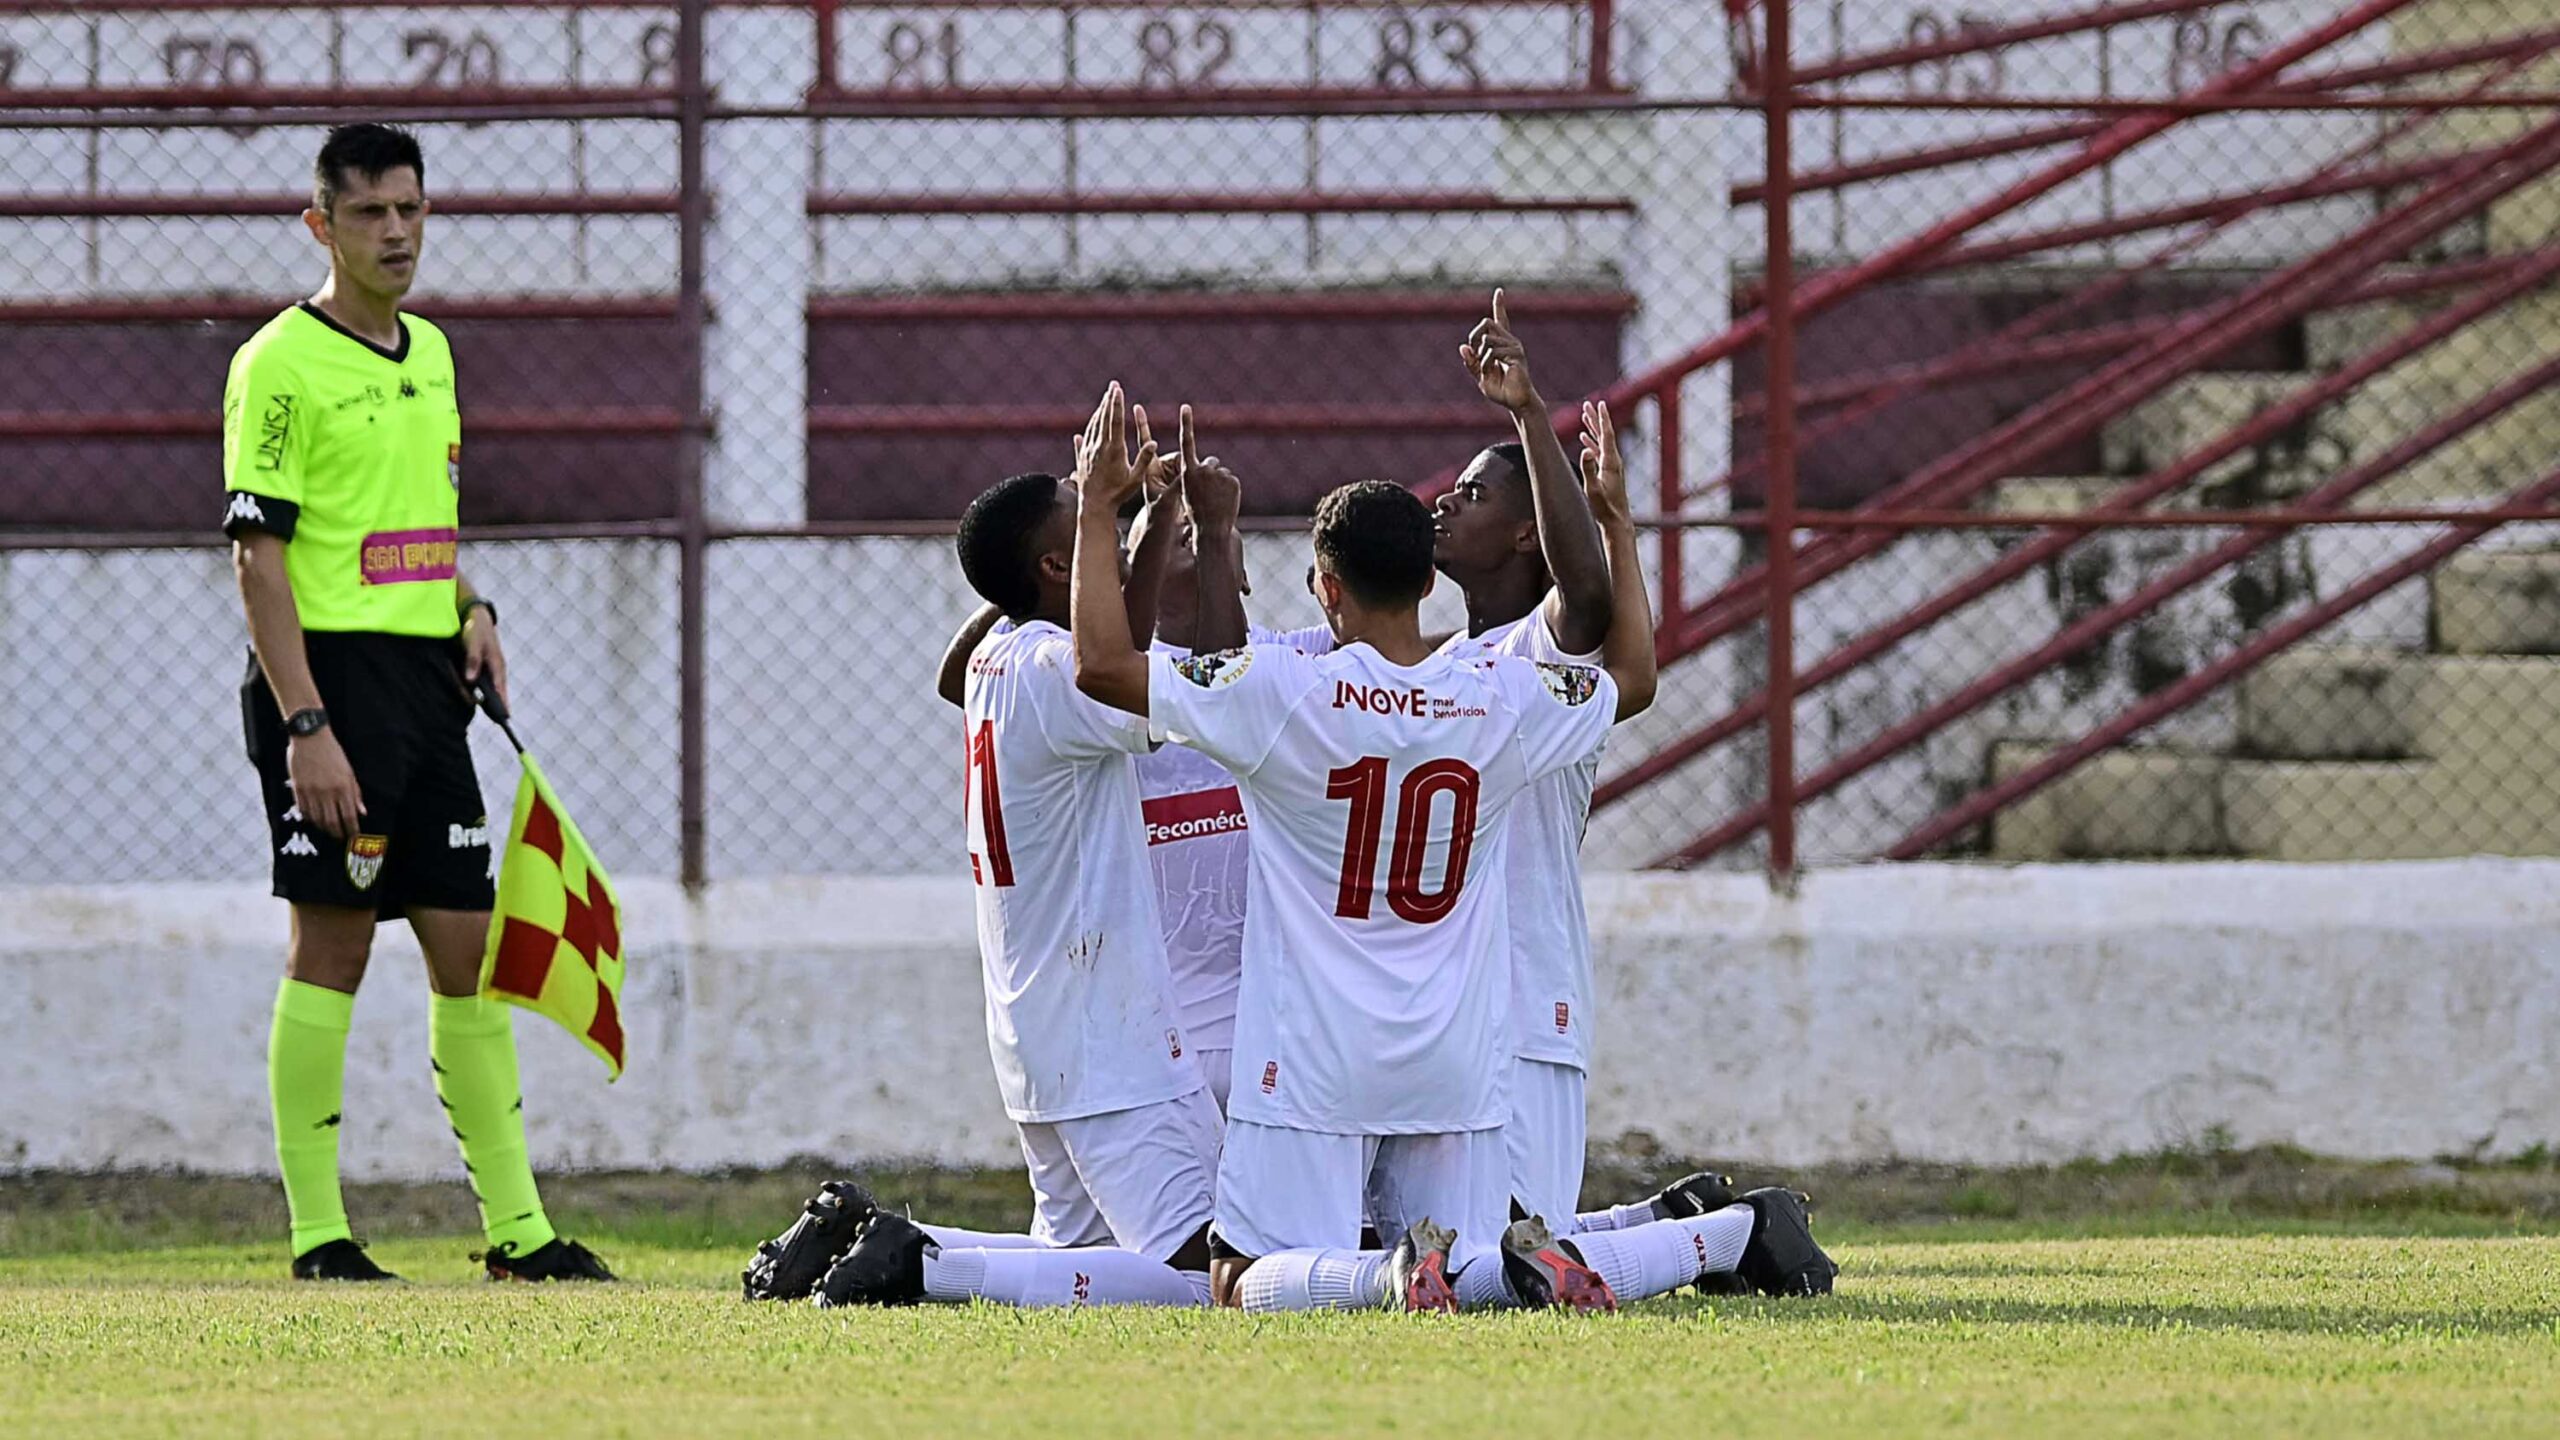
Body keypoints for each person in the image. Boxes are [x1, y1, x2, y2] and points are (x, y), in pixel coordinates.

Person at [1068, 380, 1644, 1312]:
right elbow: (1632, 675)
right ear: (1427, 583)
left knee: (1234, 1276)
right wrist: (1617, 525)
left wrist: (1100, 508)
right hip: (1455, 1055)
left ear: (1325, 587)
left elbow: (1100, 664)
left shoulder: (1288, 693)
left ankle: (1381, 1279)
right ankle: (1593, 1257)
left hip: (1312, 1056)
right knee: (1469, 1266)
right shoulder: (1493, 694)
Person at [223, 123, 608, 1282]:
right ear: (319, 225)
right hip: (330, 690)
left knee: (467, 947)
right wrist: (306, 728)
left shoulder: (430, 353)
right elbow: (259, 559)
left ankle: (519, 1234)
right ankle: (317, 1238)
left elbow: (417, 523)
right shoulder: (278, 364)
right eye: (370, 213)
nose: (395, 233)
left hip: (426, 683)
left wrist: (472, 604)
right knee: (332, 946)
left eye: (410, 209)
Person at [807, 426, 1235, 1309]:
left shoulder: (997, 658)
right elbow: (1130, 674)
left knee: (1066, 1256)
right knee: (1207, 1274)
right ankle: (930, 1269)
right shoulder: (1055, 672)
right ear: (1052, 566)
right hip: (1106, 1033)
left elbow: (1113, 638)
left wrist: (1146, 519)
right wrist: (1127, 519)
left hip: (1039, 1027)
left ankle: (887, 1237)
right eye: (1088, 525)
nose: (1104, 533)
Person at [933, 408, 1324, 1111]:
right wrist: (1094, 520)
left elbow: (1232, 681)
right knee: (1196, 1224)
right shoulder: (1081, 676)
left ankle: (898, 1231)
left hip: (1243, 1005)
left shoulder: (1285, 658)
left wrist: (1172, 520)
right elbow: (961, 669)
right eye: (1156, 538)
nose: (1189, 541)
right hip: (1140, 1016)